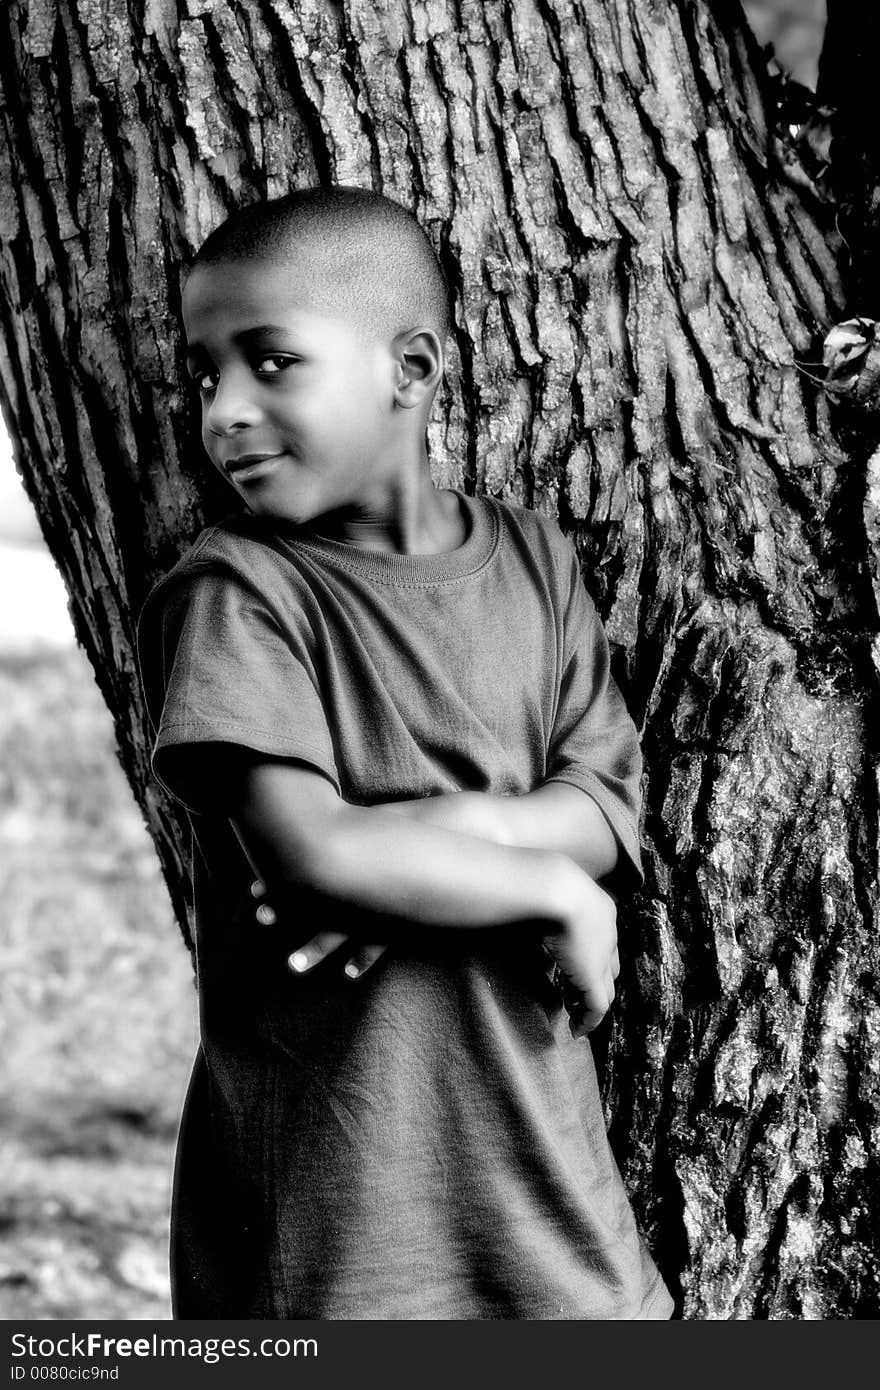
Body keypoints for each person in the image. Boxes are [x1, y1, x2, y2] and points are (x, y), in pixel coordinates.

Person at [135, 185, 675, 1320]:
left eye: (270, 362)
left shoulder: (533, 563)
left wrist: (444, 831)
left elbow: (605, 801)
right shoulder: (241, 594)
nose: (223, 410)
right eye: (203, 374)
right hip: (337, 1207)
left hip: (541, 1175)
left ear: (413, 370)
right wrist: (542, 889)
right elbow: (310, 858)